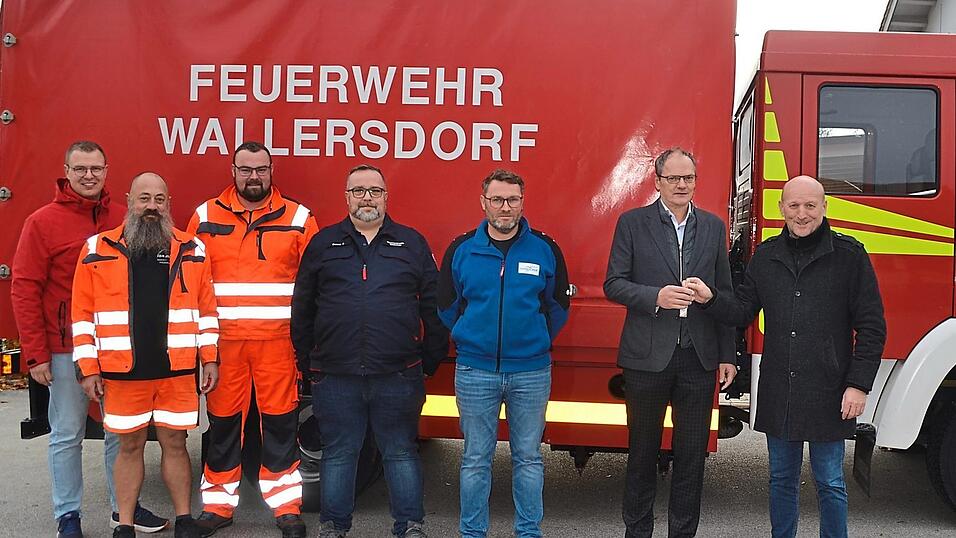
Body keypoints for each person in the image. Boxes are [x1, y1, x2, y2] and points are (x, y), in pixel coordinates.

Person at [684, 175, 886, 538]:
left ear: (824, 208)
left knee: (830, 482)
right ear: (781, 209)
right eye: (794, 206)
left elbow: (872, 327)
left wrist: (858, 385)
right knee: (781, 480)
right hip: (781, 389)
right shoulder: (766, 256)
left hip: (830, 391)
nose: (802, 213)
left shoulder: (850, 256)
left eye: (810, 205)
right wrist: (710, 298)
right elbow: (743, 310)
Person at [11, 142, 168, 538]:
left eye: (96, 169)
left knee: (121, 432)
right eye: (80, 169)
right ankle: (68, 517)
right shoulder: (42, 222)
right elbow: (24, 288)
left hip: (119, 349)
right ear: (66, 170)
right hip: (65, 351)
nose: (88, 176)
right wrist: (35, 356)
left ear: (106, 170)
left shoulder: (124, 217)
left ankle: (123, 510)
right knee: (67, 434)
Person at [291, 164, 447, 538]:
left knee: (401, 453)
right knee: (340, 454)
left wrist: (430, 357)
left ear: (385, 197)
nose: (366, 198)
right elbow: (303, 306)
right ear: (346, 198)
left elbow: (434, 305)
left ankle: (410, 525)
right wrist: (307, 359)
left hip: (398, 373)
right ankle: (333, 526)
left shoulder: (411, 243)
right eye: (358, 191)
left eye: (374, 191)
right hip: (336, 374)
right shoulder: (323, 243)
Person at [71, 172, 220, 538]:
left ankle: (184, 520)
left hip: (177, 369)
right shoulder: (95, 249)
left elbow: (207, 310)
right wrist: (88, 369)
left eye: (159, 199)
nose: (151, 206)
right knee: (130, 445)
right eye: (144, 198)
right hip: (122, 372)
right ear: (129, 200)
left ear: (168, 203)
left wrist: (210, 357)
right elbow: (82, 316)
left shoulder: (193, 249)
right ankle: (124, 525)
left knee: (175, 443)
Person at [603, 147, 737, 538]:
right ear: (657, 181)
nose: (682, 185)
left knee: (692, 457)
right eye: (674, 178)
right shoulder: (632, 223)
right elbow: (614, 283)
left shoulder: (713, 226)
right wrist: (655, 297)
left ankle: (683, 532)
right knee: (642, 454)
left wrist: (727, 355)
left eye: (689, 178)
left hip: (698, 358)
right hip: (647, 358)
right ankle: (638, 531)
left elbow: (724, 294)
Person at [186, 142, 317, 538]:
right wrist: (200, 347)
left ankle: (287, 509)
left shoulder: (298, 217)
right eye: (246, 169)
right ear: (233, 170)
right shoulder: (205, 216)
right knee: (223, 428)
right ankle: (218, 507)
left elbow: (313, 285)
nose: (254, 176)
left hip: (278, 346)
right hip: (223, 347)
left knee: (280, 426)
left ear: (272, 170)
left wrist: (306, 345)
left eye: (261, 169)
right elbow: (190, 283)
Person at [437, 169, 570, 538]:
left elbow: (558, 304)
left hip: (531, 371)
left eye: (512, 199)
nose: (505, 207)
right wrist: (471, 338)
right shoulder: (462, 249)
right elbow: (446, 305)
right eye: (497, 200)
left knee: (528, 458)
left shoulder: (544, 249)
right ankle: (472, 532)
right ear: (483, 203)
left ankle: (528, 532)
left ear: (522, 202)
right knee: (475, 459)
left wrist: (534, 339)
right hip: (475, 371)